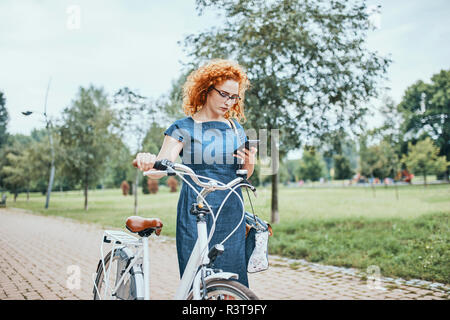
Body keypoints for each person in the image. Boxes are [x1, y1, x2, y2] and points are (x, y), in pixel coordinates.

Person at [134, 59, 257, 288]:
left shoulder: (235, 128)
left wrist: (250, 163)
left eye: (234, 97)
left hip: (232, 211)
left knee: (234, 283)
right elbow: (163, 166)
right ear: (206, 89)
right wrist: (148, 161)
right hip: (197, 210)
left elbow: (244, 175)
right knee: (198, 281)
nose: (229, 102)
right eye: (223, 94)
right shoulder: (183, 127)